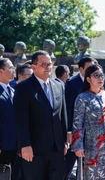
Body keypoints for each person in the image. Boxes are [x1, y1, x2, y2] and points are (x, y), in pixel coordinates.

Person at [14, 50, 68, 180]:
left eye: (50, 64)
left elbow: (62, 115)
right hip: (34, 149)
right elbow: (20, 119)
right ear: (33, 67)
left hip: (56, 149)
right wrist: (24, 145)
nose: (48, 68)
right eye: (44, 64)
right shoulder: (24, 87)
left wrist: (64, 141)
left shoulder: (58, 86)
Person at [71, 64, 105, 179]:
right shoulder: (82, 98)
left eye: (102, 75)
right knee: (92, 174)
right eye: (96, 75)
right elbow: (77, 122)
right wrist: (78, 145)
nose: (100, 78)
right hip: (91, 144)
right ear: (88, 79)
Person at [64, 57, 95, 179]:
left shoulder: (98, 81)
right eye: (89, 68)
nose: (92, 71)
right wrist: (69, 131)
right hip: (75, 131)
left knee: (87, 166)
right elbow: (68, 107)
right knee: (69, 163)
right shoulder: (72, 83)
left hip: (92, 132)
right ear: (81, 69)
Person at [0, 58, 17, 179]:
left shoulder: (13, 91)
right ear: (1, 71)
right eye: (10, 68)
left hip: (15, 145)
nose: (13, 70)